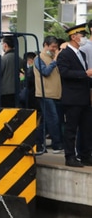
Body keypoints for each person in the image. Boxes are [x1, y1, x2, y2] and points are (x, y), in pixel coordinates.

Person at [56, 23, 92, 167]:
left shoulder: (81, 53)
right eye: (81, 35)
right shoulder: (65, 54)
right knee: (71, 129)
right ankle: (70, 157)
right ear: (73, 37)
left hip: (84, 97)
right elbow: (64, 73)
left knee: (86, 128)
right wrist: (84, 73)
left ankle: (85, 155)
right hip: (72, 98)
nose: (83, 38)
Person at [33, 37, 63, 152]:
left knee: (46, 121)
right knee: (53, 119)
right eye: (53, 47)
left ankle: (38, 143)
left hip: (55, 94)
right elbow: (45, 72)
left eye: (56, 47)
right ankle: (57, 145)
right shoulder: (39, 58)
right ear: (46, 45)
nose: (55, 49)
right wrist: (55, 60)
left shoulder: (51, 58)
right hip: (45, 94)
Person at [0, 36, 18, 107]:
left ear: (5, 45)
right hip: (17, 92)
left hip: (4, 92)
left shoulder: (3, 59)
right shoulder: (20, 59)